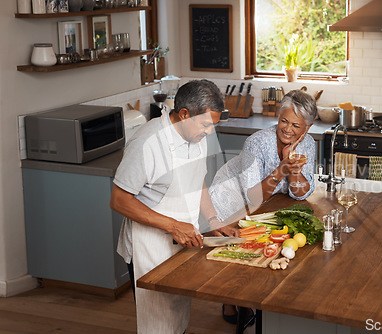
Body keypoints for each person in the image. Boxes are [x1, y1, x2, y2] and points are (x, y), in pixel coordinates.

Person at [110, 79, 238, 334]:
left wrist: (213, 221)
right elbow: (119, 200)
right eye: (206, 125)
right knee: (157, 324)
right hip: (151, 247)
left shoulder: (197, 136)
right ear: (184, 114)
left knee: (177, 316)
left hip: (183, 243)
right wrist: (173, 225)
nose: (210, 132)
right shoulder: (148, 143)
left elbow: (197, 179)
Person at [208, 89, 317, 324]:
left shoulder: (308, 144)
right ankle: (231, 302)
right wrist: (283, 169)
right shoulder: (256, 143)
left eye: (296, 126)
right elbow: (252, 196)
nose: (288, 129)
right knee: (238, 253)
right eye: (283, 121)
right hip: (231, 198)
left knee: (255, 250)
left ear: (307, 127)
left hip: (265, 202)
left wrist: (295, 171)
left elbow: (302, 194)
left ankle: (247, 300)